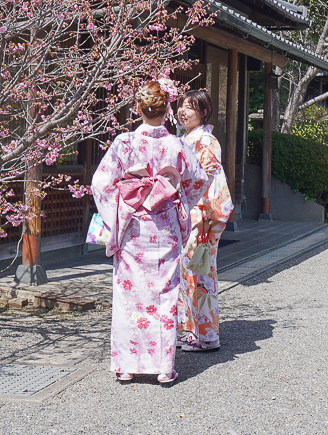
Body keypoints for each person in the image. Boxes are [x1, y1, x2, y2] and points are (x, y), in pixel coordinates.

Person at [91, 80, 210, 385]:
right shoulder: (176, 144)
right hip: (165, 226)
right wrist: (179, 201)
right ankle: (163, 368)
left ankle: (126, 365)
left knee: (129, 295)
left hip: (133, 227)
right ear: (167, 109)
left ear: (137, 108)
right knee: (164, 295)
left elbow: (101, 184)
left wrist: (118, 212)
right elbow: (197, 180)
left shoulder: (124, 143)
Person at [176, 89, 234, 352]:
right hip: (193, 212)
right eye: (181, 106)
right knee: (190, 272)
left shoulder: (206, 141)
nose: (183, 111)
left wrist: (199, 218)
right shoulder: (188, 138)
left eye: (190, 107)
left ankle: (207, 336)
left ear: (204, 112)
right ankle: (193, 331)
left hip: (203, 214)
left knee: (200, 272)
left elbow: (207, 181)